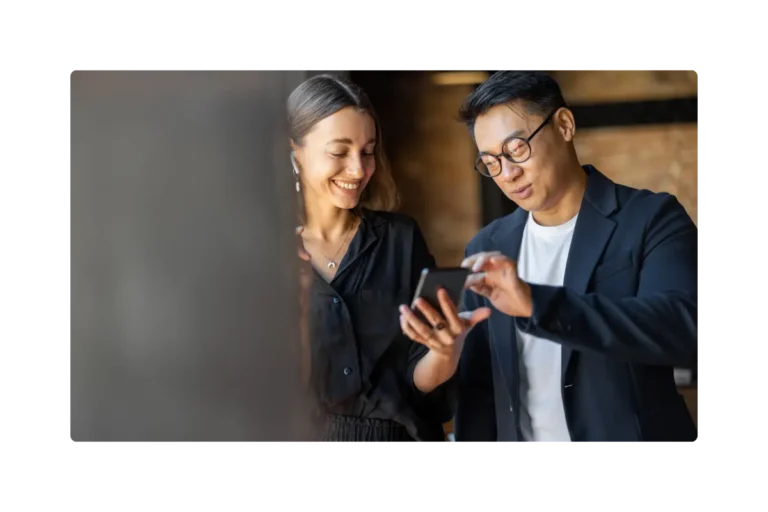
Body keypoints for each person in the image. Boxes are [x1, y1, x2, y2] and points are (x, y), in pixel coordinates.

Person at [398, 69, 703, 447]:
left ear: (563, 124)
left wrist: (535, 303)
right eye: (490, 161)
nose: (507, 174)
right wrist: (446, 350)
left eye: (517, 149)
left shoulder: (650, 219)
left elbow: (680, 329)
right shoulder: (486, 246)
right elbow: (481, 394)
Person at [288, 74, 466, 448]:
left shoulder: (400, 239)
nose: (358, 170)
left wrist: (445, 351)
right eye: (339, 152)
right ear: (295, 153)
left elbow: (419, 383)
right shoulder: (267, 252)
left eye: (367, 151)